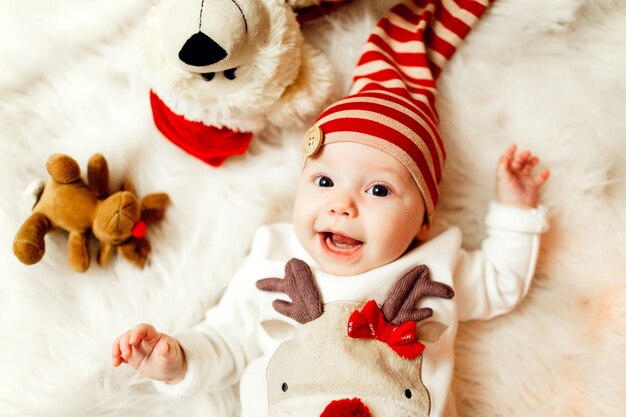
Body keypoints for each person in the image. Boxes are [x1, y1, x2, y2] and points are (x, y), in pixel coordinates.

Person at [112, 0, 549, 416]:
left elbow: (501, 282)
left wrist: (516, 210)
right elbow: (228, 340)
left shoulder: (435, 265)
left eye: (378, 190)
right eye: (324, 181)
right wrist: (178, 360)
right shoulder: (276, 259)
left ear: (423, 222)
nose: (342, 205)